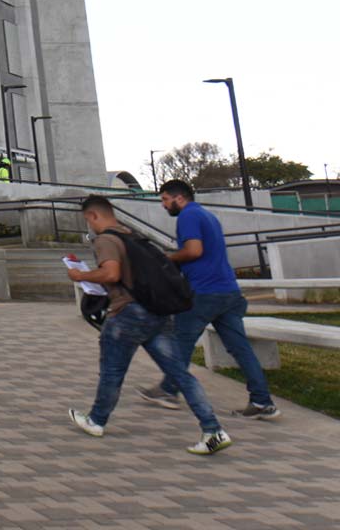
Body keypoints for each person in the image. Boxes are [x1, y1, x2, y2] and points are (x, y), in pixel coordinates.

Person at [66, 195, 231, 455]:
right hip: (157, 312)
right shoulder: (134, 237)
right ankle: (213, 429)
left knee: (112, 372)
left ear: (93, 216)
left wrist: (80, 275)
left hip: (127, 314)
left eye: (88, 220)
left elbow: (111, 274)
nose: (90, 225)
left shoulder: (106, 240)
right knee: (180, 374)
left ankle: (97, 420)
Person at [140, 180, 280, 420]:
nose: (163, 206)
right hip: (228, 291)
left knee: (181, 342)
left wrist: (167, 259)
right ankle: (262, 402)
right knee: (240, 348)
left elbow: (194, 251)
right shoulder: (207, 216)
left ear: (179, 198)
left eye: (165, 200)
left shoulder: (188, 217)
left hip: (204, 292)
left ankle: (168, 391)